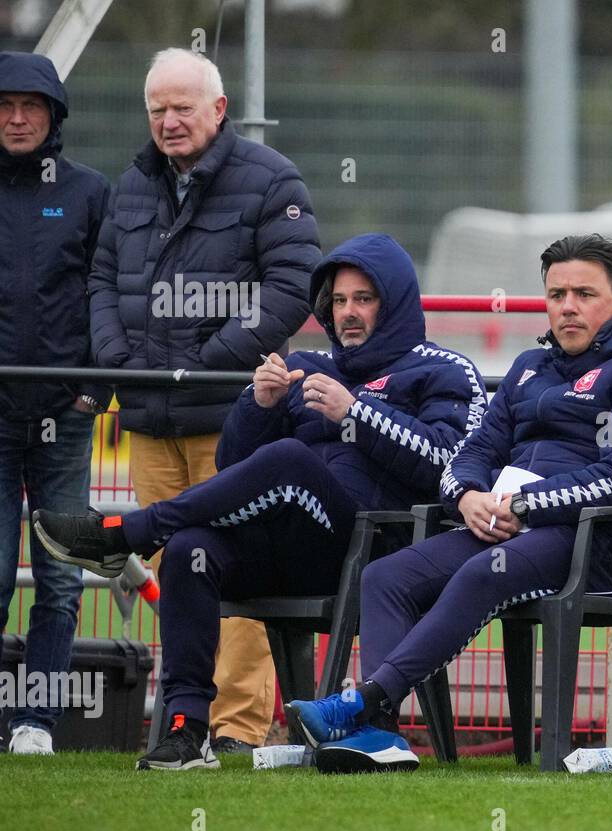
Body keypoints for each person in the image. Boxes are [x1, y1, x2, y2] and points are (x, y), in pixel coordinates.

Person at [35, 233, 486, 770]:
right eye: (338, 302)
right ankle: (186, 730)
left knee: (293, 459)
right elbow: (234, 466)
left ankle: (124, 535)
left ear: (396, 303)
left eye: (364, 299)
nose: (348, 313)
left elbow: (448, 464)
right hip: (290, 548)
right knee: (189, 549)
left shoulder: (444, 369)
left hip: (376, 554)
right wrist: (258, 403)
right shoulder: (312, 365)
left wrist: (356, 414)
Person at [285, 234, 612, 773]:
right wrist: (469, 495)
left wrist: (526, 504)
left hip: (595, 542)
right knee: (386, 576)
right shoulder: (528, 367)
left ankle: (364, 701)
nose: (567, 306)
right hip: (503, 526)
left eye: (584, 293)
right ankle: (379, 738)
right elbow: (470, 452)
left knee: (482, 572)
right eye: (556, 294)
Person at [88, 48, 321, 752]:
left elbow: (292, 288)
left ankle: (240, 727)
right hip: (150, 419)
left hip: (231, 421)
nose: (168, 121)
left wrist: (206, 367)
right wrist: (118, 362)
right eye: (157, 108)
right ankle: (185, 720)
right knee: (174, 571)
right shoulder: (130, 186)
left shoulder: (272, 180)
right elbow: (102, 279)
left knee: (232, 572)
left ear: (219, 109)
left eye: (182, 106)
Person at [0, 52, 111, 755]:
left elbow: (109, 296)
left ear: (54, 116)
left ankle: (35, 723)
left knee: (60, 577)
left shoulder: (90, 192)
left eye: (30, 107)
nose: (15, 119)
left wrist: (93, 391)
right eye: (5, 107)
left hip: (64, 420)